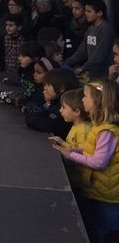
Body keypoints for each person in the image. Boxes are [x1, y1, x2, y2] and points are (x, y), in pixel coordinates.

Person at [51, 79, 119, 242]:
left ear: (98, 101)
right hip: (100, 191)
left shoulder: (106, 131)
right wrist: (72, 148)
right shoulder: (99, 126)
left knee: (104, 233)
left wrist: (71, 155)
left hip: (107, 197)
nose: (82, 100)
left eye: (85, 96)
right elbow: (91, 148)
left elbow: (99, 161)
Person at [69, 0, 117, 79]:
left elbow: (100, 53)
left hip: (105, 72)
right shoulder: (90, 28)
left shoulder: (106, 29)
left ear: (99, 13)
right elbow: (82, 50)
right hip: (93, 72)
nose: (86, 13)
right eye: (85, 11)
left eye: (89, 11)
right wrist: (69, 61)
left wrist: (83, 68)